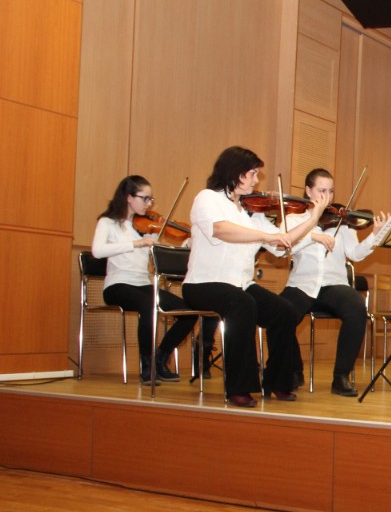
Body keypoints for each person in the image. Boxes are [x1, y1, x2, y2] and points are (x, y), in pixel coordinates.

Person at [182, 146, 330, 408]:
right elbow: (220, 230)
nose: (256, 180)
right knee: (243, 303)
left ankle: (278, 381)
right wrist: (264, 236)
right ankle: (239, 387)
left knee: (284, 311)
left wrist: (312, 219)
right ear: (234, 173)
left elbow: (282, 245)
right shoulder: (207, 198)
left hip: (240, 285)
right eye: (251, 173)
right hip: (204, 283)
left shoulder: (250, 212)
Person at [90, 175, 217, 384]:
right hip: (117, 285)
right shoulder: (108, 223)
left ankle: (160, 358)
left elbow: (161, 255)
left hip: (143, 284)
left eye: (151, 199)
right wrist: (135, 244)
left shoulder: (146, 227)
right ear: (129, 197)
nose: (149, 204)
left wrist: (185, 245)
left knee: (188, 313)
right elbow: (97, 251)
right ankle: (146, 367)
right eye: (145, 198)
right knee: (148, 305)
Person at [280, 168, 387, 397]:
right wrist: (312, 235)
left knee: (356, 307)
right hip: (301, 284)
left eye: (330, 191)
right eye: (321, 190)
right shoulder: (294, 219)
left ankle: (341, 376)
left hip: (334, 285)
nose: (327, 197)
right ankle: (293, 370)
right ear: (308, 191)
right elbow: (285, 248)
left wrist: (375, 235)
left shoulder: (343, 222)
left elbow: (355, 254)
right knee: (280, 312)